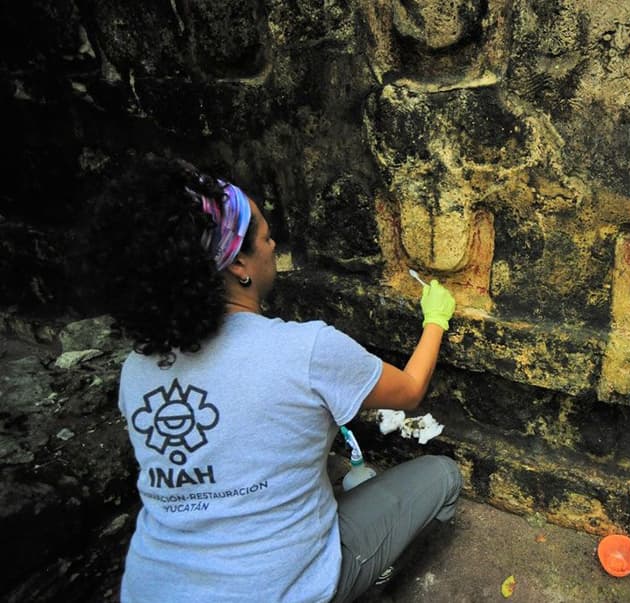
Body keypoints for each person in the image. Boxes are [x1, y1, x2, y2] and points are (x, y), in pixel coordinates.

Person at [89, 155, 461, 602]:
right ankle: (374, 576)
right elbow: (411, 390)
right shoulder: (306, 350)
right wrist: (435, 320)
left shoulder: (137, 369)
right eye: (265, 237)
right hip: (282, 591)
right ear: (238, 266)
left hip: (149, 590)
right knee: (442, 474)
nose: (272, 245)